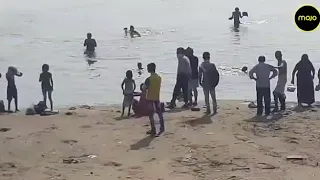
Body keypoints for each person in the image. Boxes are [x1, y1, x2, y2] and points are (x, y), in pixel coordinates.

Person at [143, 63, 164, 136]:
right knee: (159, 112)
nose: (147, 69)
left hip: (150, 98)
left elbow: (144, 88)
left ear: (150, 69)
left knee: (151, 114)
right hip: (156, 97)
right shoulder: (159, 77)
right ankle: (162, 127)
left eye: (148, 68)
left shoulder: (148, 79)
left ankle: (153, 129)